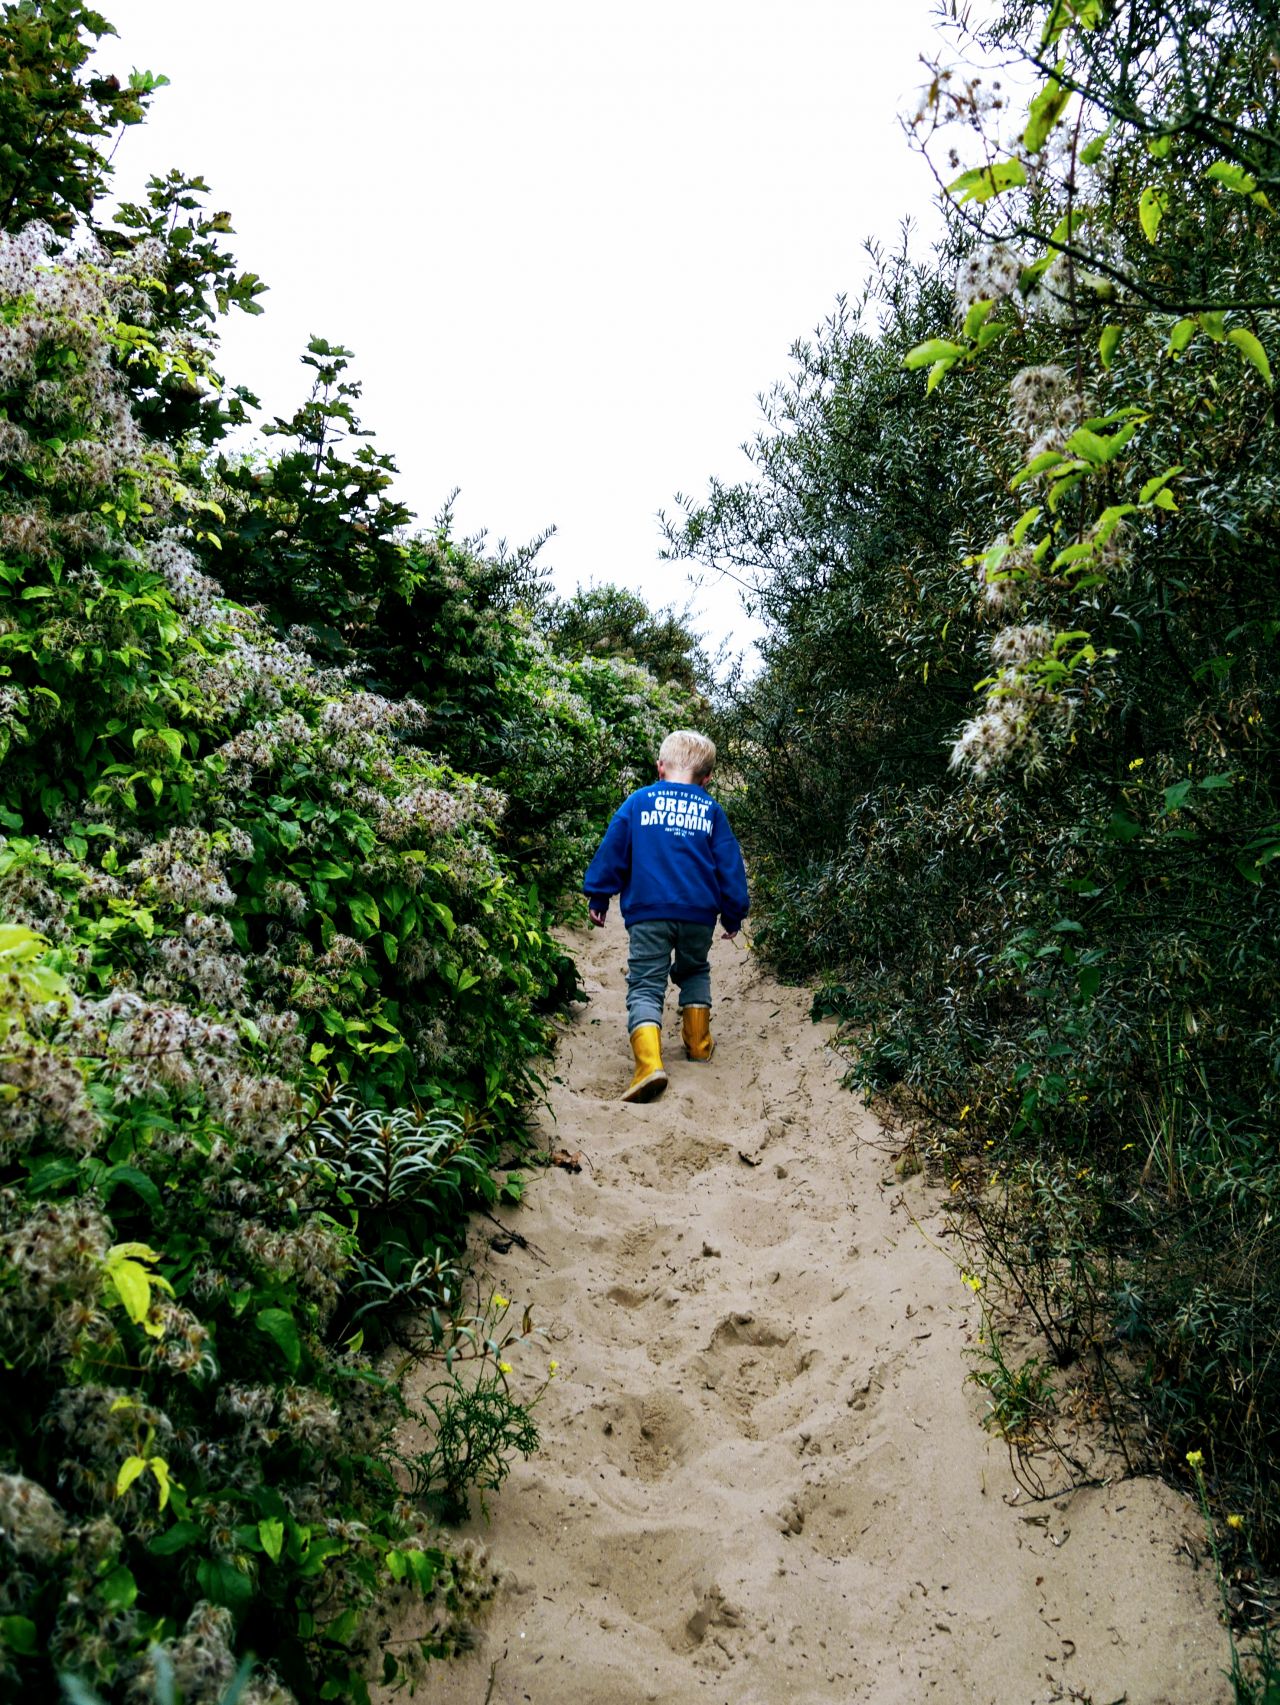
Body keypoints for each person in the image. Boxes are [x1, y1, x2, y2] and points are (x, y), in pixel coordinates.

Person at [582, 729, 750, 1103]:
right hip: (698, 914)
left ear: (660, 767)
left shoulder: (639, 802)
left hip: (648, 912)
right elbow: (729, 864)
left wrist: (599, 893)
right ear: (706, 779)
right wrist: (733, 913)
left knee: (645, 983)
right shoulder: (711, 810)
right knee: (694, 970)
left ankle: (648, 1064)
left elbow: (613, 849)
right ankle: (698, 1044)